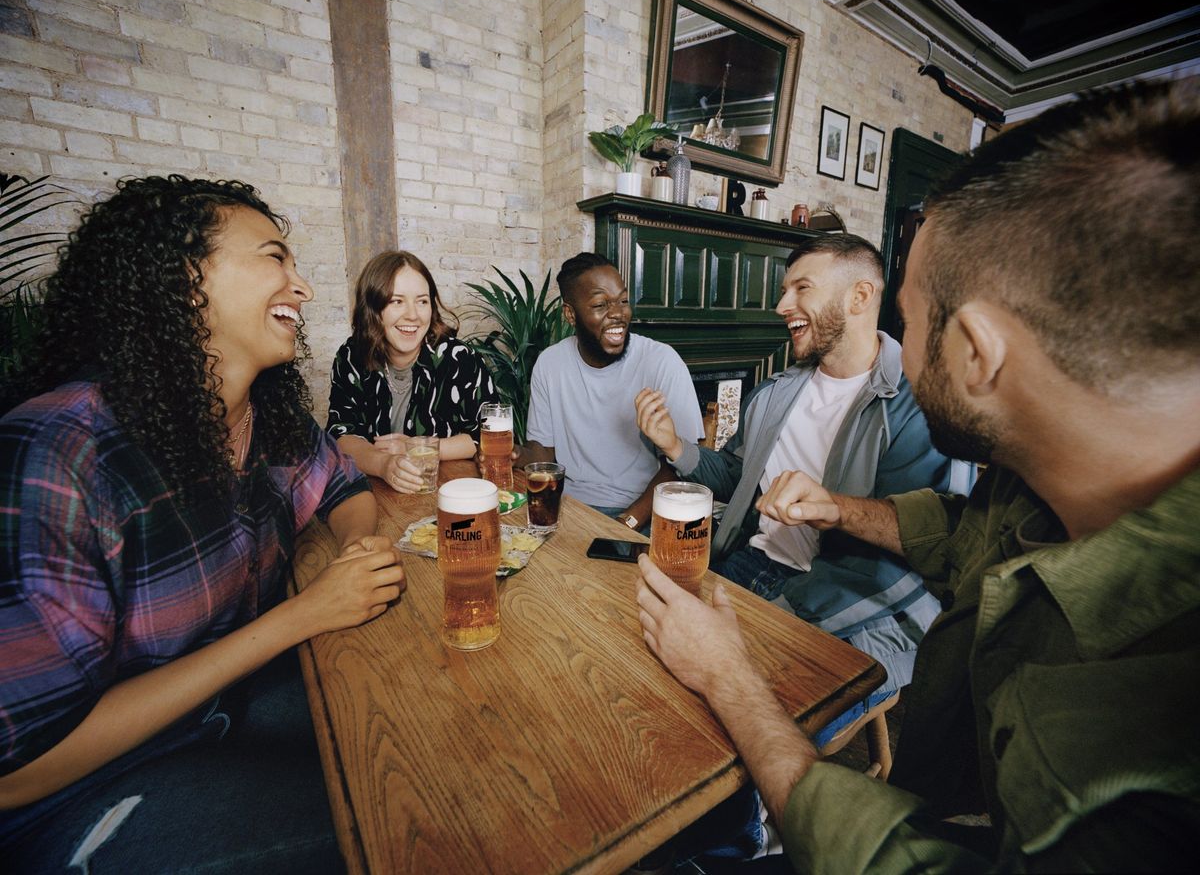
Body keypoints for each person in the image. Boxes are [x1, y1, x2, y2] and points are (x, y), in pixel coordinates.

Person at [636, 79, 1200, 870]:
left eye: (912, 315)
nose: (905, 348)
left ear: (973, 351)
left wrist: (732, 676)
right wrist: (820, 501)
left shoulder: (1138, 734)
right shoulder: (1027, 483)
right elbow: (962, 530)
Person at [0, 176, 406, 872]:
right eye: (274, 257)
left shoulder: (267, 418)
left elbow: (342, 484)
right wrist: (301, 615)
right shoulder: (61, 452)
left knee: (408, 746)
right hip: (81, 795)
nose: (301, 288)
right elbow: (19, 769)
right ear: (180, 277)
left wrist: (358, 551)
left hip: (227, 713)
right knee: (399, 836)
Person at [635, 234, 972, 739]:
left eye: (801, 288)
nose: (781, 305)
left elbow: (930, 542)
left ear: (859, 297)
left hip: (852, 594)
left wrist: (832, 508)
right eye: (783, 290)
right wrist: (675, 446)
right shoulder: (777, 391)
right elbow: (736, 477)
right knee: (649, 666)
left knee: (733, 722)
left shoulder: (920, 401)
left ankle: (758, 815)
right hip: (749, 562)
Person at [519, 252, 704, 529]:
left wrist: (626, 522)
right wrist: (511, 454)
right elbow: (543, 451)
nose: (618, 313)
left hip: (641, 513)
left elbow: (685, 467)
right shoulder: (550, 363)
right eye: (600, 304)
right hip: (571, 509)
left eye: (623, 301)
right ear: (570, 314)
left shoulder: (661, 362)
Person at [326, 250, 497, 493]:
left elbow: (486, 435)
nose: (413, 315)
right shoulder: (352, 356)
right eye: (396, 301)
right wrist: (385, 465)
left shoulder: (459, 358)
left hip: (448, 489)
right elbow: (340, 434)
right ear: (372, 307)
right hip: (373, 492)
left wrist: (416, 447)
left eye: (422, 301)